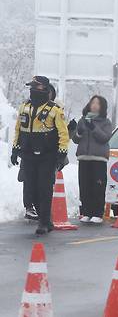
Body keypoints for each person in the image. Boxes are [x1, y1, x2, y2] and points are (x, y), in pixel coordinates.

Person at [11, 76, 69, 235]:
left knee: (44, 188)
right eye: (32, 87)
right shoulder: (24, 107)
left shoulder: (54, 110)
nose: (33, 90)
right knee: (31, 188)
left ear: (44, 88)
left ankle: (43, 222)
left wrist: (62, 153)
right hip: (28, 154)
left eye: (36, 86)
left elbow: (63, 133)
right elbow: (18, 129)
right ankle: (45, 219)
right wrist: (15, 149)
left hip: (47, 155)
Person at [71, 96, 113, 223]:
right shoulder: (83, 120)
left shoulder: (106, 122)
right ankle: (86, 212)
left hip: (98, 158)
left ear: (102, 107)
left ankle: (97, 213)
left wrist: (93, 128)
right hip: (84, 157)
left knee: (97, 186)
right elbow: (76, 139)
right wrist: (78, 131)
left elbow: (105, 137)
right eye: (92, 103)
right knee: (84, 185)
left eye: (98, 103)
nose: (94, 105)